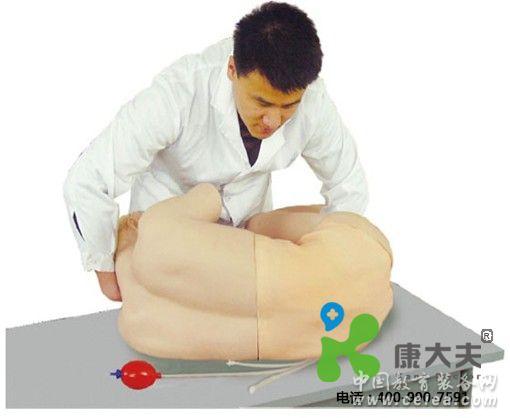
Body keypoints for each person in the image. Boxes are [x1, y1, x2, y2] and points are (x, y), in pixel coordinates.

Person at [63, 2, 369, 301]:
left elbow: (347, 182)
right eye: (262, 103)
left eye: (288, 106)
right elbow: (87, 181)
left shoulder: (313, 100)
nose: (273, 121)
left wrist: (339, 257)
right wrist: (108, 275)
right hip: (166, 235)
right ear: (232, 69)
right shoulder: (179, 93)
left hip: (247, 238)